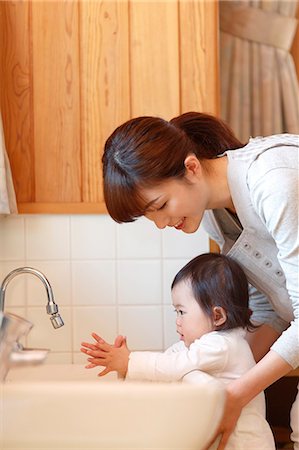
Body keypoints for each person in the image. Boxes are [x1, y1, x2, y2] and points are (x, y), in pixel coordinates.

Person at [101, 112, 298, 450]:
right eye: (151, 217)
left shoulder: (274, 181)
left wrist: (237, 394)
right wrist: (226, 376)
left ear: (191, 167)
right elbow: (273, 307)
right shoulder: (214, 216)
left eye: (160, 205)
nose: (162, 224)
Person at [81, 253, 275, 450]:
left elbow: (173, 367)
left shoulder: (223, 345)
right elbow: (164, 368)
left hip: (246, 444)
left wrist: (130, 361)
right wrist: (125, 369)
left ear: (217, 316)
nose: (177, 320)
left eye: (182, 311)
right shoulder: (196, 346)